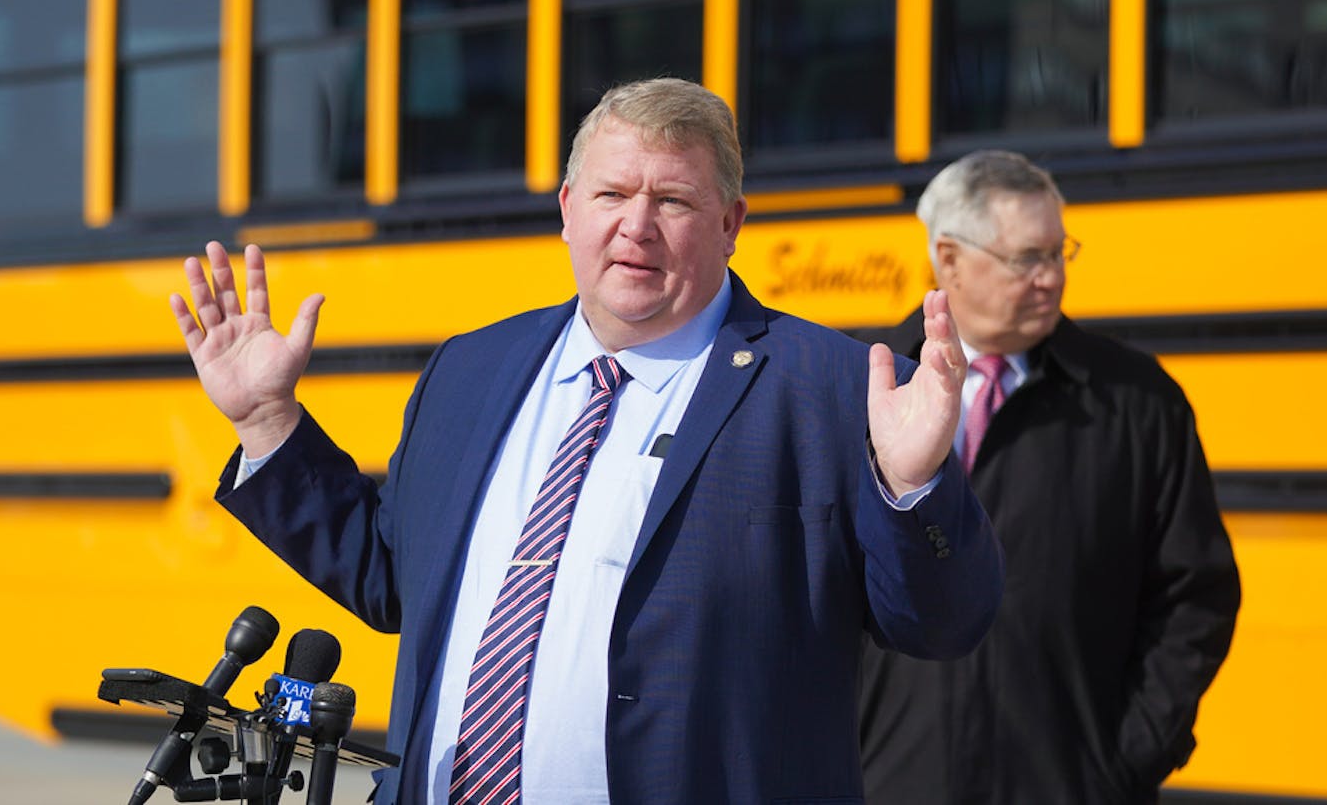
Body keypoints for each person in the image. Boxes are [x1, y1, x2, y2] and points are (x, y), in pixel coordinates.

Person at [171, 78, 1004, 805]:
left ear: (730, 223)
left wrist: (915, 488)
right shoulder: (472, 367)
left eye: (672, 201)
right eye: (611, 196)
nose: (635, 227)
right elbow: (394, 578)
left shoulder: (829, 385)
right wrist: (267, 422)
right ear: (569, 211)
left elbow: (943, 627)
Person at [858, 150, 1241, 804]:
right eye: (1026, 258)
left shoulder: (1136, 403)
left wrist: (1123, 760)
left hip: (1068, 785)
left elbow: (1195, 596)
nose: (1050, 278)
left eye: (1058, 253)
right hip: (883, 782)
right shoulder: (860, 387)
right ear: (947, 259)